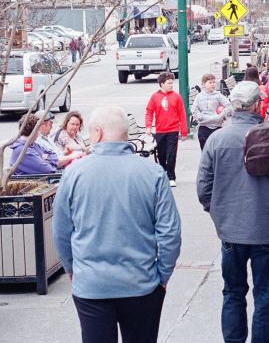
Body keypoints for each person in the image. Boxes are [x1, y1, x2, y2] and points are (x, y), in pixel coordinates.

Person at [53, 106, 182, 343]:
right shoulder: (152, 173)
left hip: (92, 284)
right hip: (141, 284)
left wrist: (73, 269)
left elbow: (61, 231)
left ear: (98, 133)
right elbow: (170, 233)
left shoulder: (74, 175)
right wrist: (162, 276)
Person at [196, 81, 269, 343]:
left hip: (231, 231)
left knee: (233, 292)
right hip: (266, 229)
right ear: (257, 105)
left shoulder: (216, 140)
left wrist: (219, 212)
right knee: (266, 297)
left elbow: (203, 189)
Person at [145, 72, 187, 186]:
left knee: (171, 154)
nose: (171, 85)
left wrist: (184, 131)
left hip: (173, 130)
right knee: (161, 154)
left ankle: (171, 176)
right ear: (162, 84)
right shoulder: (155, 97)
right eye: (169, 83)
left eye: (172, 83)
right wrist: (148, 126)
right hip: (160, 130)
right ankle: (163, 171)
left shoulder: (176, 97)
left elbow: (182, 114)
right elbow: (149, 112)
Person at [191, 74, 232, 150]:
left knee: (216, 151)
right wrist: (200, 117)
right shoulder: (199, 96)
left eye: (214, 82)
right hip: (204, 126)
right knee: (205, 151)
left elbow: (228, 106)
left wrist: (220, 116)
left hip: (216, 127)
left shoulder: (218, 95)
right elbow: (194, 110)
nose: (213, 84)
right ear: (204, 84)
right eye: (210, 82)